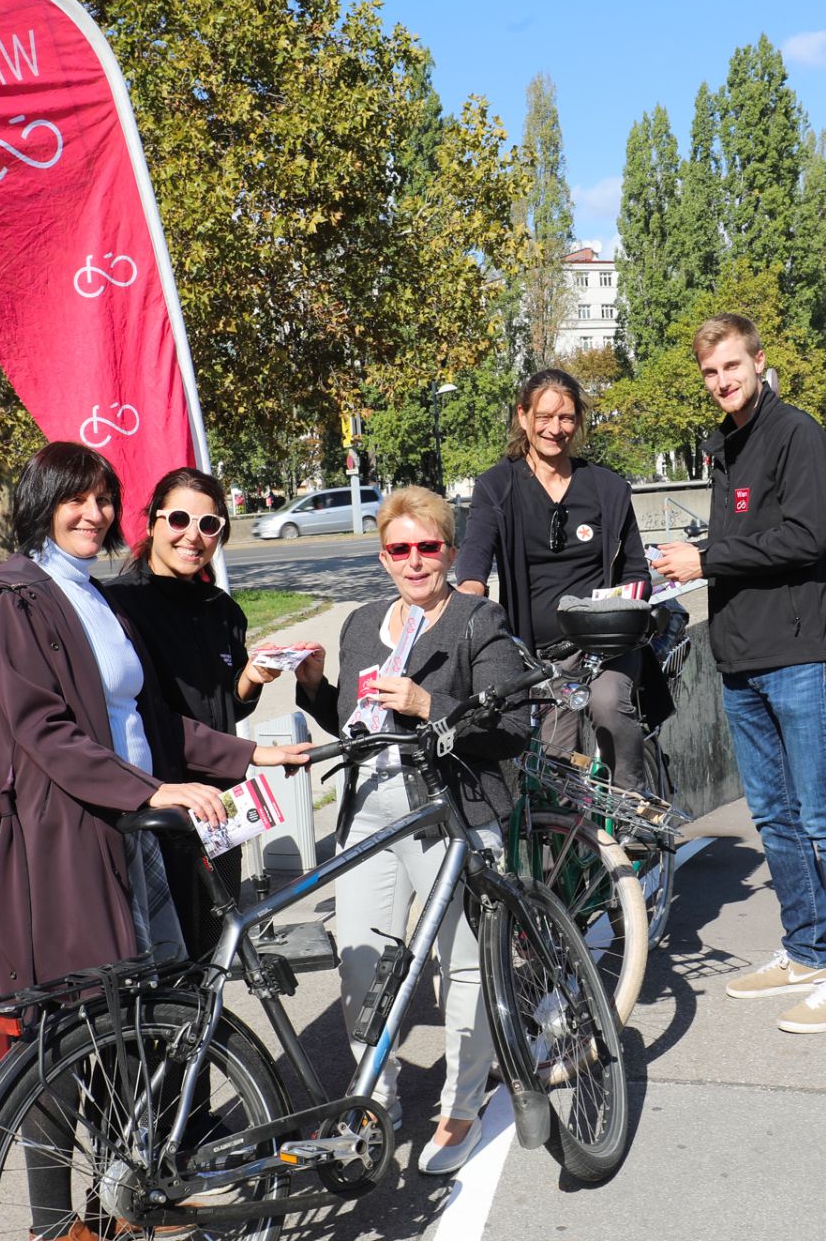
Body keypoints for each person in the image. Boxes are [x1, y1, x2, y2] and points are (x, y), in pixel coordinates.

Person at [0, 442, 309, 1241]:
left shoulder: (94, 597)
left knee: (139, 1020)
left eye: (102, 500)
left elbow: (149, 722)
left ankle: (128, 1200)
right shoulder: (18, 600)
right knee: (62, 1031)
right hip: (70, 844)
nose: (93, 515)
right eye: (76, 500)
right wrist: (150, 789)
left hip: (131, 834)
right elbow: (43, 733)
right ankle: (58, 1228)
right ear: (41, 502)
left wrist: (249, 753)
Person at [650, 313, 826, 1036]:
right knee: (776, 818)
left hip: (801, 654)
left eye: (732, 368)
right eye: (711, 373)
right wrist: (694, 555)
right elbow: (749, 536)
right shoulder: (726, 445)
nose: (722, 382)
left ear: (758, 362)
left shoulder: (798, 434)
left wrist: (707, 559)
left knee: (825, 816)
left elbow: (809, 536)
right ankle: (807, 950)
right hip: (743, 656)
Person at [295, 486, 532, 1175]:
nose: (415, 560)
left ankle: (462, 1107)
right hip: (371, 809)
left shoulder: (476, 619)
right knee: (361, 962)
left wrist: (433, 705)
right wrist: (314, 687)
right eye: (400, 549)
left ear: (450, 552)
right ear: (383, 557)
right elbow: (351, 722)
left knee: (460, 964)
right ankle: (376, 1098)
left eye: (429, 547)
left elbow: (511, 728)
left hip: (449, 811)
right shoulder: (365, 621)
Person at [106, 466, 319, 956]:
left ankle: (206, 1032)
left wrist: (251, 678)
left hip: (222, 807)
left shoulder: (222, 608)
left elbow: (225, 703)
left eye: (209, 525)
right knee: (162, 955)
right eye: (179, 518)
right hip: (159, 801)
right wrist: (253, 755)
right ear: (153, 523)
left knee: (212, 951)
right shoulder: (120, 606)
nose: (193, 536)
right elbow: (148, 716)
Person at [457, 368, 652, 789]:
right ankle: (561, 847)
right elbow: (475, 552)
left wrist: (621, 608)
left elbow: (636, 569)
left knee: (607, 705)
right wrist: (469, 591)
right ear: (523, 416)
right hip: (537, 654)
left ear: (578, 422)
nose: (555, 428)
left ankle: (635, 805)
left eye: (566, 418)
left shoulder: (607, 488)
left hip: (605, 646)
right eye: (544, 416)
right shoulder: (498, 486)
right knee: (553, 773)